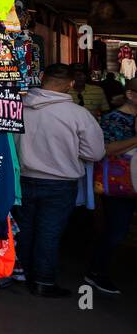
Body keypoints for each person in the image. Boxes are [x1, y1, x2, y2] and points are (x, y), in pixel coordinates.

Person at [18, 64, 106, 297]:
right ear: (70, 84)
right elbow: (95, 153)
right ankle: (43, 281)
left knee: (24, 228)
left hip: (22, 178)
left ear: (41, 78)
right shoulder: (78, 115)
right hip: (60, 183)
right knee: (49, 232)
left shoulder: (18, 107)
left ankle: (20, 274)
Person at [93, 84, 137, 295]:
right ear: (130, 94)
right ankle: (97, 272)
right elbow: (106, 149)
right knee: (116, 231)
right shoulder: (113, 119)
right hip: (121, 183)